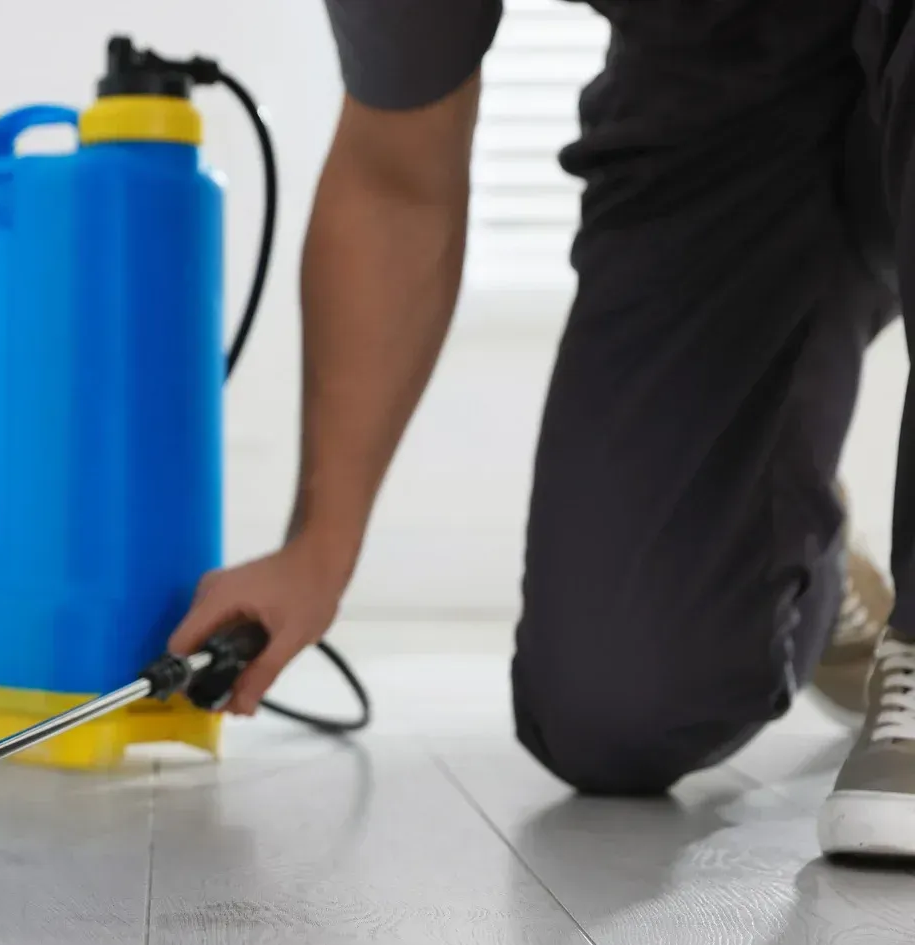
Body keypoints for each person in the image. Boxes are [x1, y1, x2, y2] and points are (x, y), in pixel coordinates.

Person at [167, 0, 915, 858]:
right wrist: (318, 546)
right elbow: (396, 169)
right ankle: (787, 541)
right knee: (616, 704)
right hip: (733, 83)